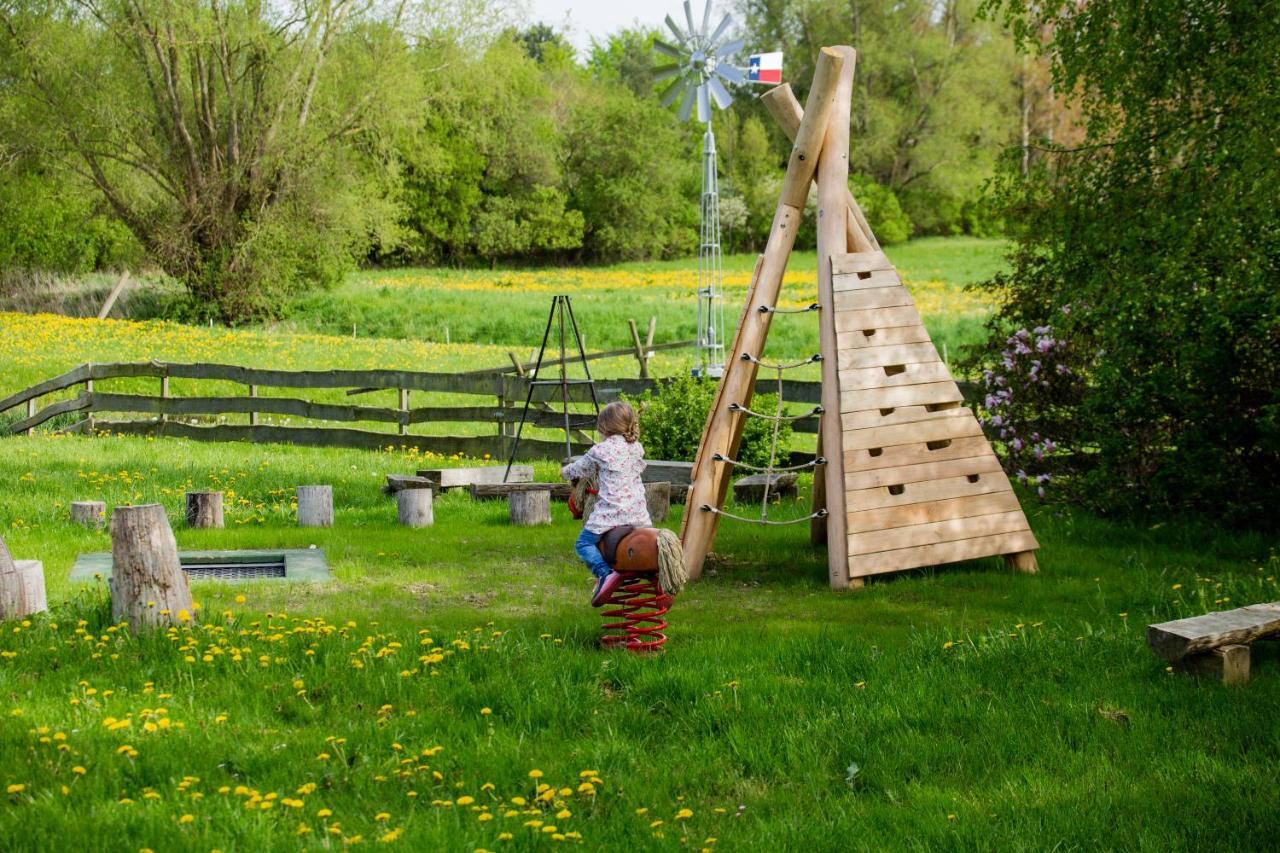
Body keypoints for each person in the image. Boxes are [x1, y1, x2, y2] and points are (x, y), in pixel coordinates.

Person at [561, 401, 651, 606]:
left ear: (604, 427)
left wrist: (564, 472)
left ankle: (605, 574)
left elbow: (579, 469)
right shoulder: (636, 447)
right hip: (638, 514)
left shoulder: (600, 450)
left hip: (611, 513)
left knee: (583, 544)